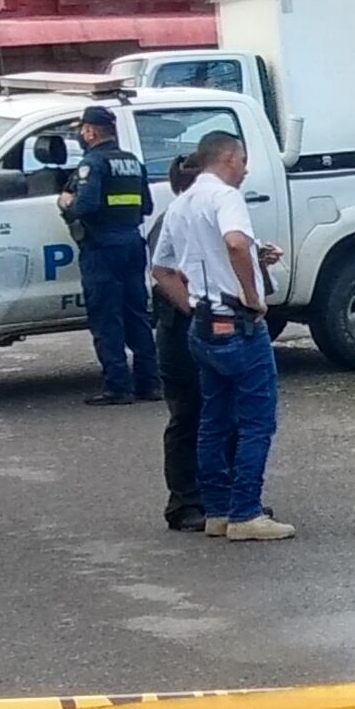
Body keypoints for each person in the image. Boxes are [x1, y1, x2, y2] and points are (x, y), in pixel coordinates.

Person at [155, 126, 291, 542]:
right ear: (230, 158)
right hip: (237, 323)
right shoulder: (226, 196)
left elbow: (161, 269)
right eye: (245, 161)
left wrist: (195, 304)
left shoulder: (181, 204)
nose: (246, 170)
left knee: (213, 419)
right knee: (255, 420)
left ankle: (216, 509)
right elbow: (233, 243)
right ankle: (246, 511)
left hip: (203, 326)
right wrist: (252, 297)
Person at [61, 103, 160, 405]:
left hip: (102, 247)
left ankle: (118, 386)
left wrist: (66, 205)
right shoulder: (131, 161)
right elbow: (147, 207)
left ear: (90, 131)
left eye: (82, 130)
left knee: (107, 316)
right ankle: (150, 384)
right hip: (131, 243)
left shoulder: (92, 164)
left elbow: (85, 205)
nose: (81, 134)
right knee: (136, 315)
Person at [153, 142, 209, 531]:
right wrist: (197, 310)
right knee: (188, 414)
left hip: (202, 324)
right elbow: (165, 274)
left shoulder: (208, 216)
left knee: (219, 414)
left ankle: (218, 496)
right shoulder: (173, 220)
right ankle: (185, 501)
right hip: (180, 329)